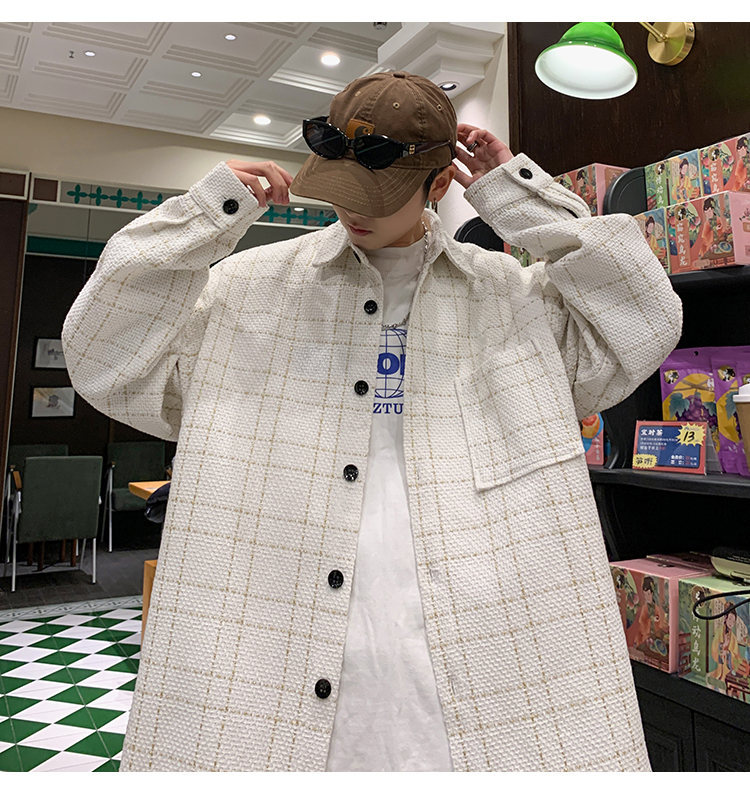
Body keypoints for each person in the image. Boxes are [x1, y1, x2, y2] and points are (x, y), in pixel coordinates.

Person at [61, 70, 682, 772]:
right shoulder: (245, 292)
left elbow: (644, 320)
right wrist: (202, 215)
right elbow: (103, 357)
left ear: (439, 184)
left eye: (376, 192)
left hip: (487, 652)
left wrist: (518, 195)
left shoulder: (512, 299)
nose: (352, 209)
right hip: (269, 642)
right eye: (341, 185)